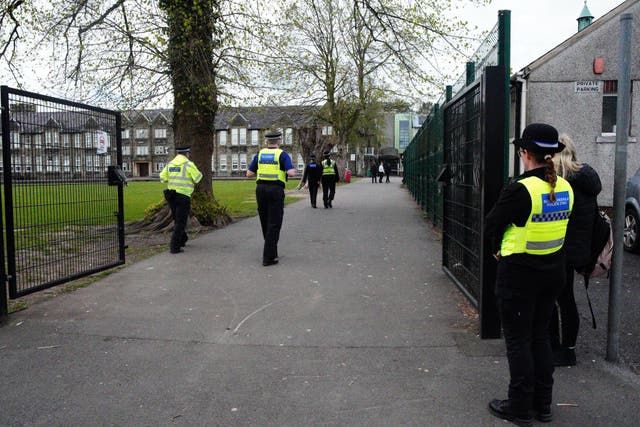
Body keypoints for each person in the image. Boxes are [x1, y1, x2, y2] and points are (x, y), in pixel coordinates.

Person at [485, 123, 574, 426]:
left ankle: (520, 407)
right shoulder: (565, 187)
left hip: (520, 275)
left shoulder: (520, 189)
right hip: (553, 272)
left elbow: (492, 223)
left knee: (519, 341)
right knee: (541, 336)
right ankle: (543, 404)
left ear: (525, 153)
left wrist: (497, 248)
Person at [550, 134, 602, 367]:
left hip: (558, 248)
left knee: (553, 298)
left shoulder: (559, 180)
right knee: (566, 298)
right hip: (578, 249)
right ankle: (567, 347)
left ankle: (557, 348)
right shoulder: (586, 176)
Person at [246, 130, 296, 266]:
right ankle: (268, 257)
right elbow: (291, 173)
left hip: (260, 189)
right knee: (274, 223)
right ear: (278, 141)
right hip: (275, 190)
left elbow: (249, 174)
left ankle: (272, 252)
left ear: (266, 142)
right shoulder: (282, 154)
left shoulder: (260, 154)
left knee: (265, 221)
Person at [159, 146, 203, 254]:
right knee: (181, 222)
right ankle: (175, 247)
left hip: (171, 196)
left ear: (177, 153)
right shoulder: (188, 165)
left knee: (177, 219)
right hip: (183, 196)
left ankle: (183, 239)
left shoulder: (170, 164)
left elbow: (162, 178)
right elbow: (198, 178)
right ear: (187, 154)